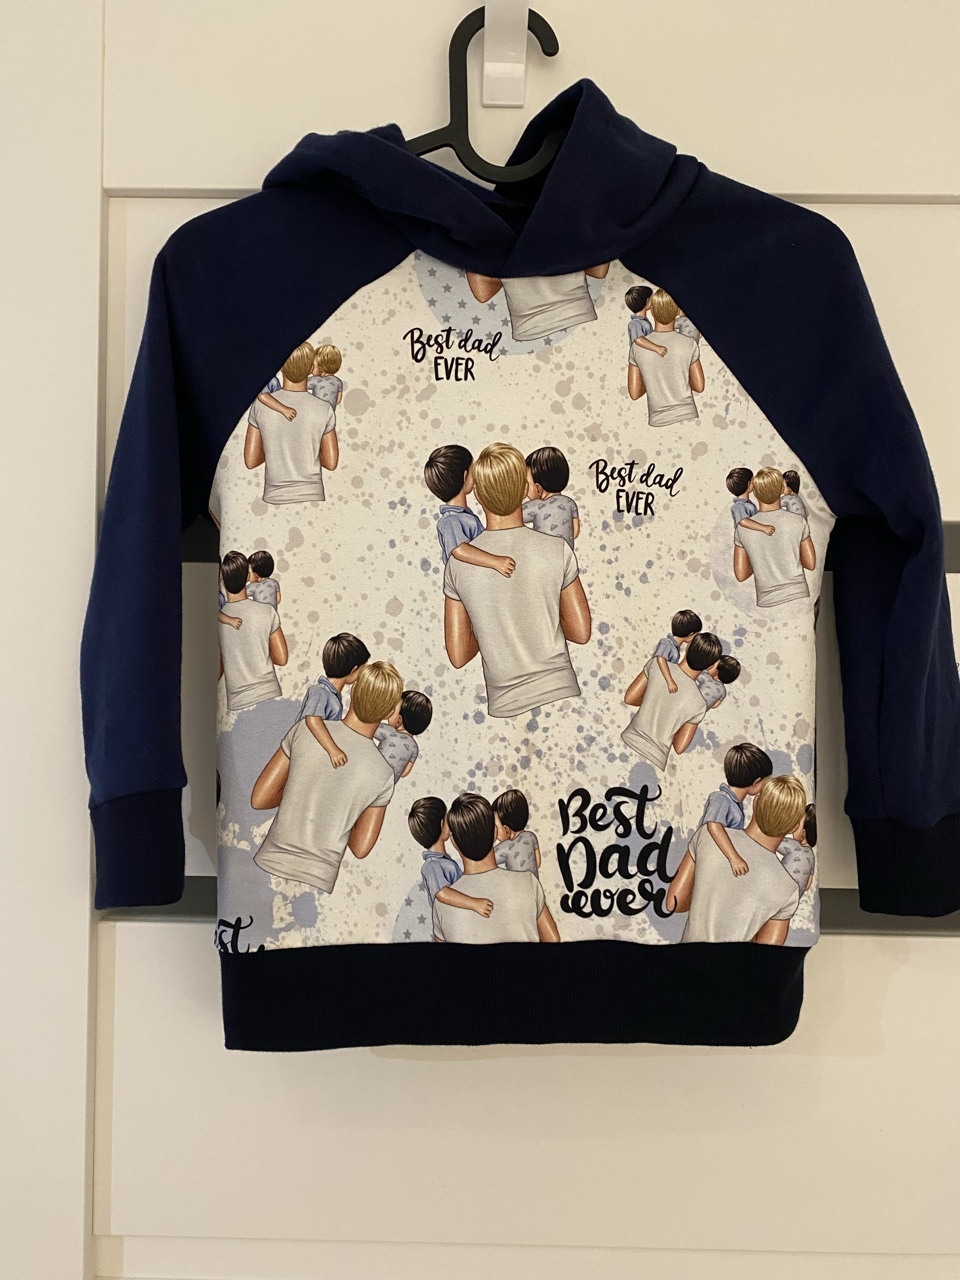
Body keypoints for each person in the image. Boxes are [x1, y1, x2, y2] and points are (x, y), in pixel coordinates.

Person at [443, 442, 591, 718]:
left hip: (505, 704)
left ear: (479, 496)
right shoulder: (558, 549)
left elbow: (459, 655)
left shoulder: (458, 563)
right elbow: (581, 632)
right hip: (563, 695)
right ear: (524, 489)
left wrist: (492, 622)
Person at [251, 662, 401, 894]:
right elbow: (361, 848)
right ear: (390, 712)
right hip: (319, 881)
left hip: (268, 865)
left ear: (353, 691)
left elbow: (260, 799)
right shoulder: (383, 773)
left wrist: (300, 794)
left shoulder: (304, 730)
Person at [667, 775, 805, 944]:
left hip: (685, 958)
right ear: (793, 827)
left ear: (756, 803)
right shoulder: (788, 888)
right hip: (738, 962)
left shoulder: (707, 835)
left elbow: (674, 903)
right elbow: (768, 954)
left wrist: (706, 899)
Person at [432, 794, 561, 943]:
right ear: (494, 832)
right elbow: (553, 941)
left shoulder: (442, 903)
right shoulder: (528, 882)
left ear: (454, 841)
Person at [244, 341, 339, 503]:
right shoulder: (324, 408)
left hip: (274, 497)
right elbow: (330, 463)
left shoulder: (260, 405)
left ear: (281, 367)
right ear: (311, 368)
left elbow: (251, 461)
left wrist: (274, 449)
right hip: (313, 497)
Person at [621, 632, 722, 769]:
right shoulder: (700, 703)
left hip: (628, 740)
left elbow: (629, 698)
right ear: (709, 666)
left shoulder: (656, 665)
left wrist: (654, 700)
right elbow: (679, 747)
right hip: (657, 758)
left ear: (688, 647)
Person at [423, 444, 515, 576]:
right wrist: (496, 562)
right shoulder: (450, 520)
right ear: (465, 477)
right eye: (473, 471)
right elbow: (459, 550)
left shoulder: (463, 516)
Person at [733, 466, 817, 606]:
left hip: (767, 601)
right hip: (799, 596)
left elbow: (741, 575)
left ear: (756, 493)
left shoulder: (743, 528)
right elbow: (810, 564)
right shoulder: (798, 521)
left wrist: (760, 560)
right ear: (781, 490)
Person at [466, 264, 610, 343]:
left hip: (529, 327)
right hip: (580, 314)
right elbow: (598, 272)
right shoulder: (574, 218)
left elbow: (483, 293)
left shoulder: (487, 225)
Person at [217, 550, 287, 712]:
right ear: (248, 576)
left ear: (223, 580)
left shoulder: (218, 619)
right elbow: (281, 658)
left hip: (238, 701)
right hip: (270, 693)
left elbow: (217, 670)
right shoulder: (267, 611)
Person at [626, 288, 704, 425]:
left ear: (652, 311)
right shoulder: (689, 343)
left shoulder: (637, 347)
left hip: (658, 420)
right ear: (676, 311)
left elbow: (634, 393)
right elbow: (699, 386)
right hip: (689, 416)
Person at [697, 742, 774, 878]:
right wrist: (734, 858)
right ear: (756, 782)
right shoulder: (721, 799)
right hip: (710, 861)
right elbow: (713, 826)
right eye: (765, 781)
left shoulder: (735, 803)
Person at [410, 796, 494, 918]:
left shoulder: (443, 861)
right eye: (447, 818)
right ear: (442, 824)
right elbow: (442, 894)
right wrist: (474, 903)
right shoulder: (432, 865)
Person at [297, 633, 371, 768]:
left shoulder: (333, 695)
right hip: (305, 753)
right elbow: (312, 720)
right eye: (362, 669)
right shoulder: (320, 691)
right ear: (354, 669)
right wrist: (333, 750)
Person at [257, 343, 345, 420]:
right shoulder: (338, 381)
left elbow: (299, 382)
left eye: (313, 365)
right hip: (328, 413)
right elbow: (338, 400)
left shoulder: (316, 381)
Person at [522, 446, 580, 548]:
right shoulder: (570, 502)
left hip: (545, 554)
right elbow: (575, 532)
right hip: (566, 553)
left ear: (538, 489)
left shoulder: (537, 506)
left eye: (526, 483)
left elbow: (512, 518)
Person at [374, 689, 433, 782]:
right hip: (388, 786)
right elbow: (405, 772)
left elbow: (368, 728)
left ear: (399, 720)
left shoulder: (389, 732)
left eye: (392, 710)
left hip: (371, 777)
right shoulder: (414, 747)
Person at [217, 547, 281, 630]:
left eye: (249, 572)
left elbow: (240, 593)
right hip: (271, 615)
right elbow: (278, 599)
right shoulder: (274, 583)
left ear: (256, 575)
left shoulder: (254, 586)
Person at [652, 609, 702, 694]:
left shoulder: (674, 647)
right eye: (696, 635)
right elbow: (660, 659)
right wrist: (670, 681)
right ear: (690, 634)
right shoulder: (667, 643)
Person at [492, 789, 541, 874]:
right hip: (533, 881)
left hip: (516, 882)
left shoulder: (507, 846)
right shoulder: (531, 836)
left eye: (495, 826)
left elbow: (485, 862)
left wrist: (490, 840)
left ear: (506, 830)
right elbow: (538, 863)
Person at [777, 802, 817, 896]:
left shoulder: (794, 846)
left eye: (796, 825)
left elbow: (773, 842)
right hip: (795, 898)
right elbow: (807, 885)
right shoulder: (811, 855)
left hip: (781, 895)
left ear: (803, 834)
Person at [725, 468, 777, 538]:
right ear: (749, 484)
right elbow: (743, 521)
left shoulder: (747, 504)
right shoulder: (738, 506)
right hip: (746, 539)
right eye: (753, 480)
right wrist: (763, 528)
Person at [624, 283, 669, 358]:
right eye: (652, 298)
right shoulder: (635, 323)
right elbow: (639, 340)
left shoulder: (644, 321)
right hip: (639, 359)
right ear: (647, 301)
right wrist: (657, 348)